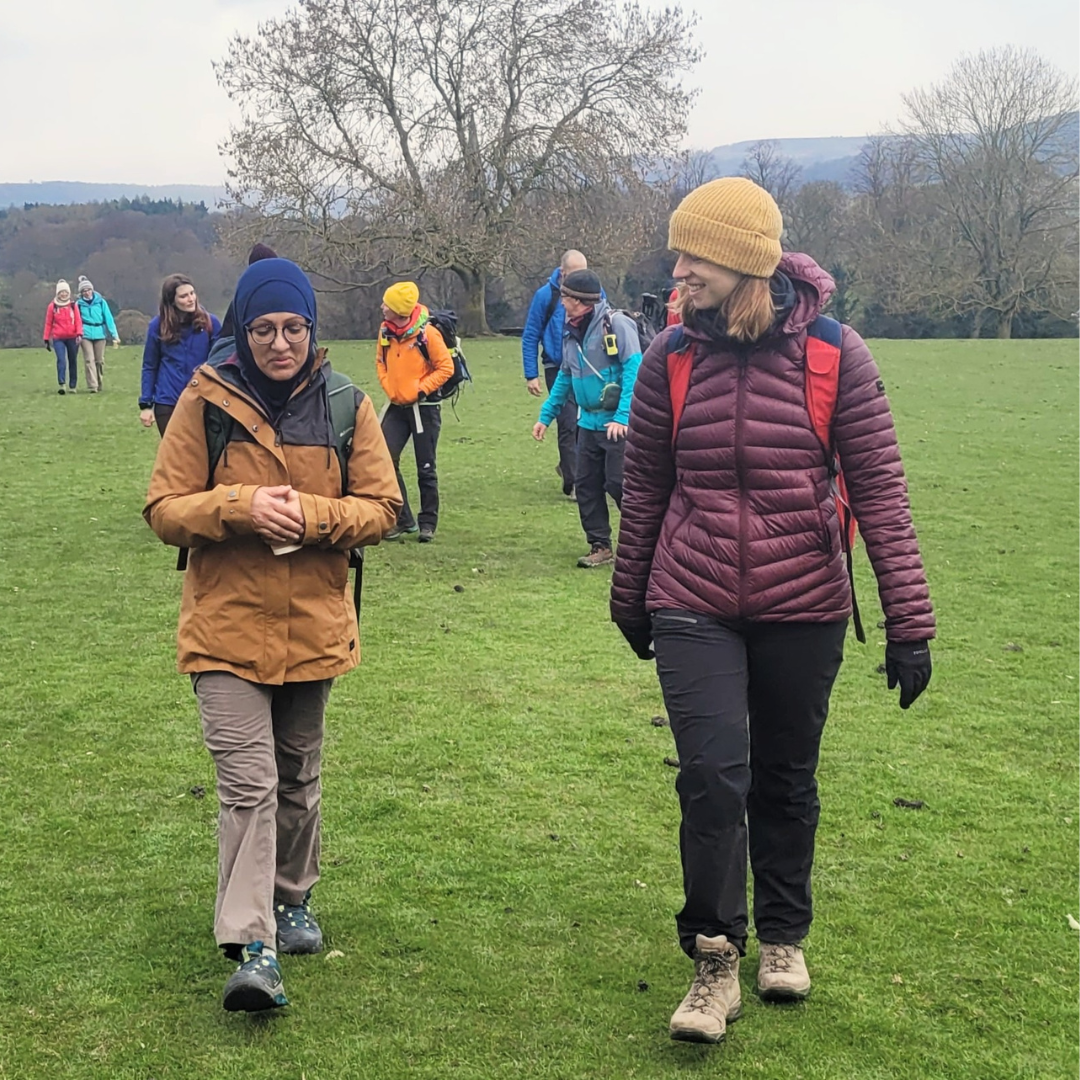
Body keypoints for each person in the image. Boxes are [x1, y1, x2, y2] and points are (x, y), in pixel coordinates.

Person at [609, 177, 935, 1045]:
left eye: (693, 254)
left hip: (805, 604)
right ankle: (714, 959)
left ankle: (784, 935)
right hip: (693, 597)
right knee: (713, 778)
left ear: (746, 260)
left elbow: (881, 493)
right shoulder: (669, 357)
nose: (677, 270)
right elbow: (643, 489)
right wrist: (630, 595)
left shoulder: (835, 353)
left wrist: (910, 624)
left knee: (786, 779)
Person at [144, 257, 401, 1012]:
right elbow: (164, 507)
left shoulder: (348, 404)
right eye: (263, 328)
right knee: (249, 786)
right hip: (224, 627)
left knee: (299, 776)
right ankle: (253, 947)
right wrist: (240, 506)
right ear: (241, 330)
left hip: (314, 627)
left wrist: (316, 519)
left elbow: (384, 508)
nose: (279, 342)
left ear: (311, 331)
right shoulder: (206, 399)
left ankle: (293, 902)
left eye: (293, 328)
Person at [532, 269, 642, 568]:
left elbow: (635, 370)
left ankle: (644, 542)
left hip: (617, 425)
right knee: (587, 485)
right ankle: (600, 545)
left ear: (581, 301)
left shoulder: (616, 324)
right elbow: (565, 377)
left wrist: (623, 417)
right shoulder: (569, 329)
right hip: (587, 423)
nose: (562, 301)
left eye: (566, 296)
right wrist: (546, 415)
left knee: (620, 484)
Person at [376, 281, 454, 542]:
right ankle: (403, 519)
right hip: (397, 407)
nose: (382, 307)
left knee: (426, 466)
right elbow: (380, 362)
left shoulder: (428, 334)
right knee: (385, 459)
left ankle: (427, 523)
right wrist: (391, 388)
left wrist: (419, 390)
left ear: (399, 309)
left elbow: (446, 368)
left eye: (387, 304)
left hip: (425, 408)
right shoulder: (385, 332)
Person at [522, 249, 588, 496]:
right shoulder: (545, 297)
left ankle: (571, 467)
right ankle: (573, 484)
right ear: (563, 273)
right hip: (556, 366)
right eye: (574, 275)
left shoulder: (594, 293)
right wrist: (531, 374)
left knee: (586, 422)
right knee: (568, 422)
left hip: (586, 366)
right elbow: (530, 335)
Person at [139, 274, 221, 435]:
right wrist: (146, 405)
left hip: (203, 400)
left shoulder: (211, 324)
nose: (191, 299)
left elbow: (220, 363)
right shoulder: (157, 326)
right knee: (175, 457)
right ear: (172, 301)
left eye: (192, 293)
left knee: (201, 457)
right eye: (184, 296)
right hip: (168, 402)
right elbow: (150, 366)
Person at [75, 277, 120, 393]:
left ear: (92, 290)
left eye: (88, 290)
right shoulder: (78, 304)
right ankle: (93, 386)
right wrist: (77, 334)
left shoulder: (101, 302)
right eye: (84, 291)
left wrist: (114, 334)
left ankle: (99, 382)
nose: (86, 292)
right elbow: (76, 320)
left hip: (100, 333)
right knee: (89, 359)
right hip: (85, 334)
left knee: (99, 361)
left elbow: (108, 318)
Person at [43, 280, 83, 394]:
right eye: (61, 292)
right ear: (57, 293)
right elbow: (48, 323)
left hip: (72, 337)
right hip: (58, 338)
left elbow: (78, 321)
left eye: (65, 292)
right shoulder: (52, 306)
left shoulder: (73, 305)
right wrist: (46, 338)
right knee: (61, 360)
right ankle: (62, 384)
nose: (64, 294)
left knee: (72, 361)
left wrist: (79, 334)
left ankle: (72, 385)